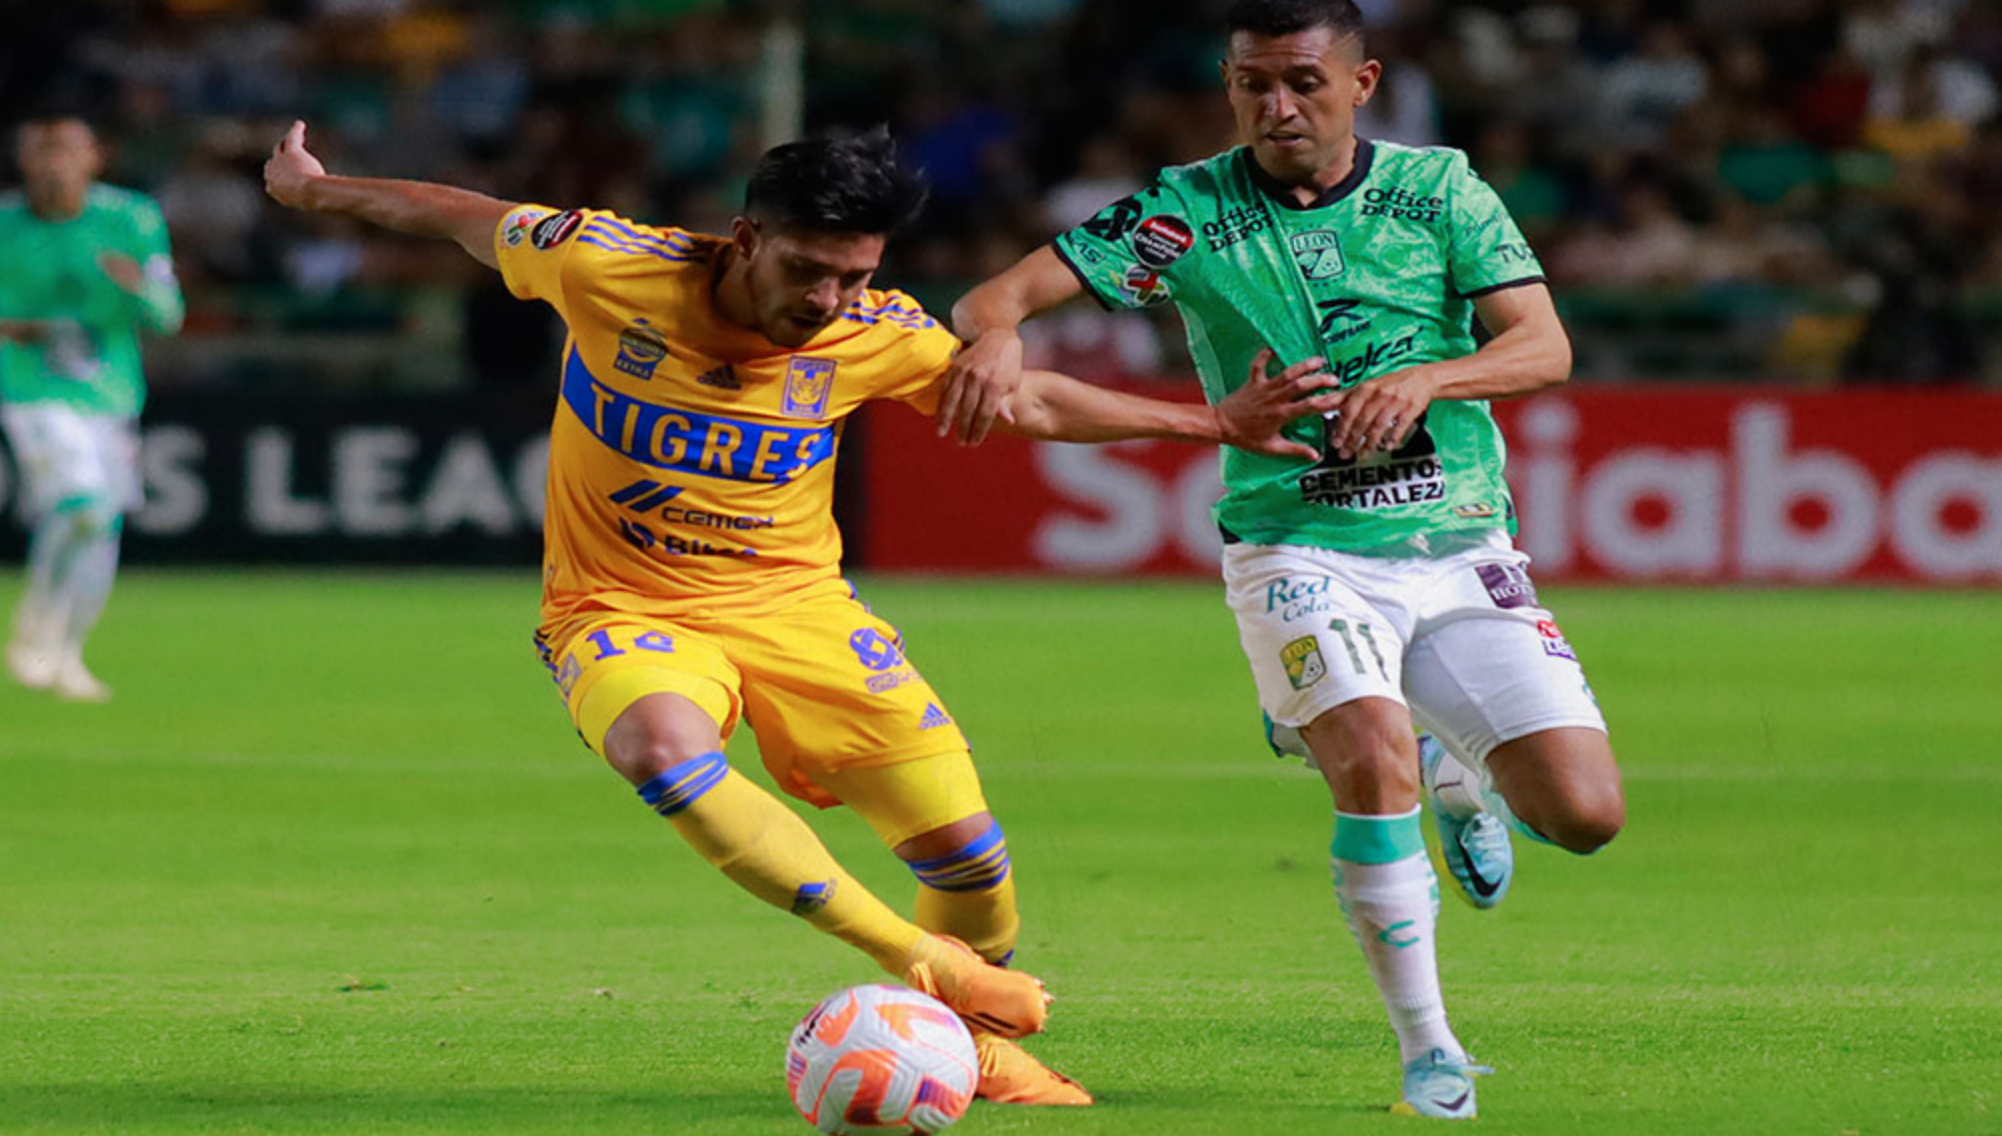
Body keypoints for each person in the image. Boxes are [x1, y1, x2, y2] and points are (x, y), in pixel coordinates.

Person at [262, 120, 1337, 1108]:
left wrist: (1211, 423)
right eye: (807, 270)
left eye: (853, 275)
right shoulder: (607, 263)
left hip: (796, 606)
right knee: (659, 747)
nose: (828, 298)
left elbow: (1022, 399)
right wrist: (318, 193)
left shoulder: (874, 331)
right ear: (745, 239)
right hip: (619, 604)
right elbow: (461, 214)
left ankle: (970, 1043)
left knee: (968, 857)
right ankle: (915, 959)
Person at [944, 0, 1626, 1119]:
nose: (1278, 106)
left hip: (1459, 544)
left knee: (1584, 816)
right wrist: (1002, 331)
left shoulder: (1439, 189)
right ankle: (1431, 1051)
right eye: (1253, 82)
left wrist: (1427, 377)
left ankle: (1451, 766)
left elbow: (1542, 345)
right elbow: (988, 301)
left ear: (1362, 83)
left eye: (1303, 81)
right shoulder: (1180, 213)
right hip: (1295, 544)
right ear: (1228, 86)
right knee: (1370, 757)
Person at [1, 113, 184, 702]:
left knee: (103, 525)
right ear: (24, 160)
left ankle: (67, 651)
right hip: (32, 389)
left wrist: (138, 289)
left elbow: (168, 314)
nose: (55, 164)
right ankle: (35, 626)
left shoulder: (131, 219)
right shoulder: (5, 226)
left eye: (67, 150)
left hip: (110, 394)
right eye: (43, 151)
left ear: (94, 158)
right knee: (83, 502)